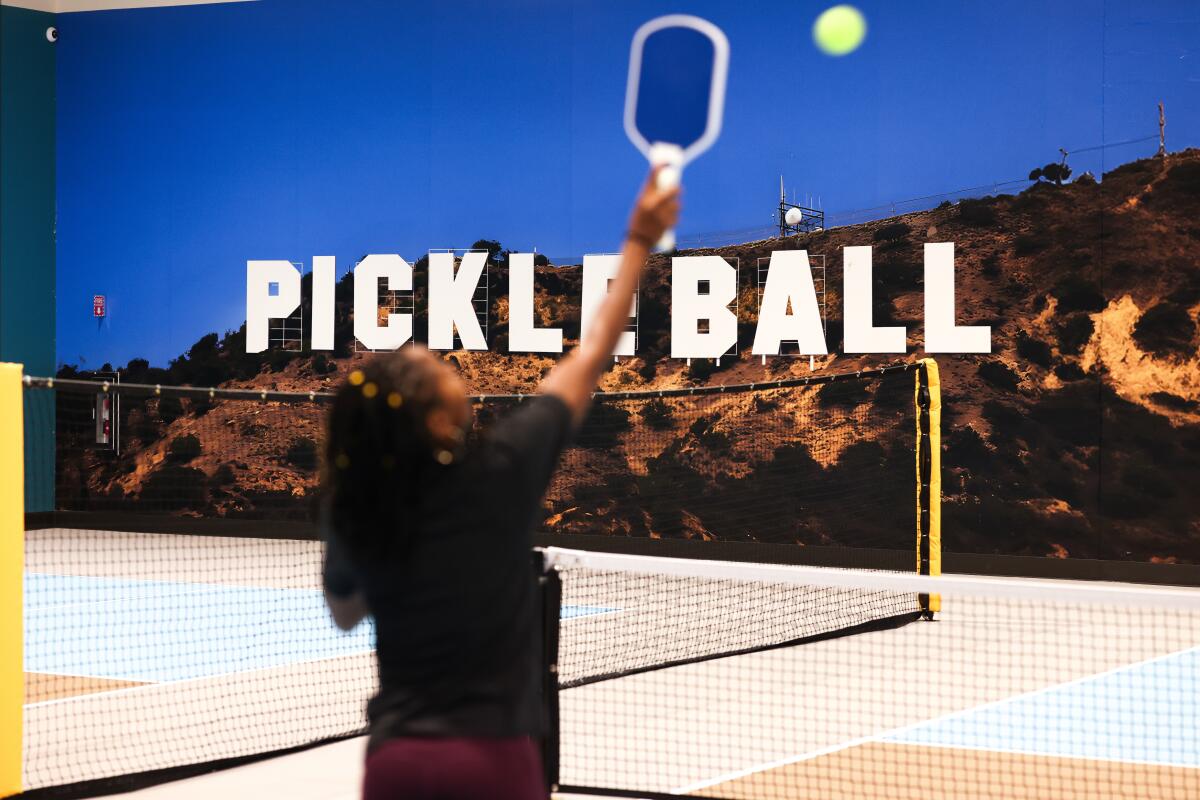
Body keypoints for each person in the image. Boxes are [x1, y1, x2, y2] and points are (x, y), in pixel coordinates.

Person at [321, 169, 680, 800]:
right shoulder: (502, 471)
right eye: (436, 369)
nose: (447, 363)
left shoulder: (359, 509)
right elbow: (594, 350)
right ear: (436, 418)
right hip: (494, 762)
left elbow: (346, 611)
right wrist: (637, 239)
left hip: (398, 764)